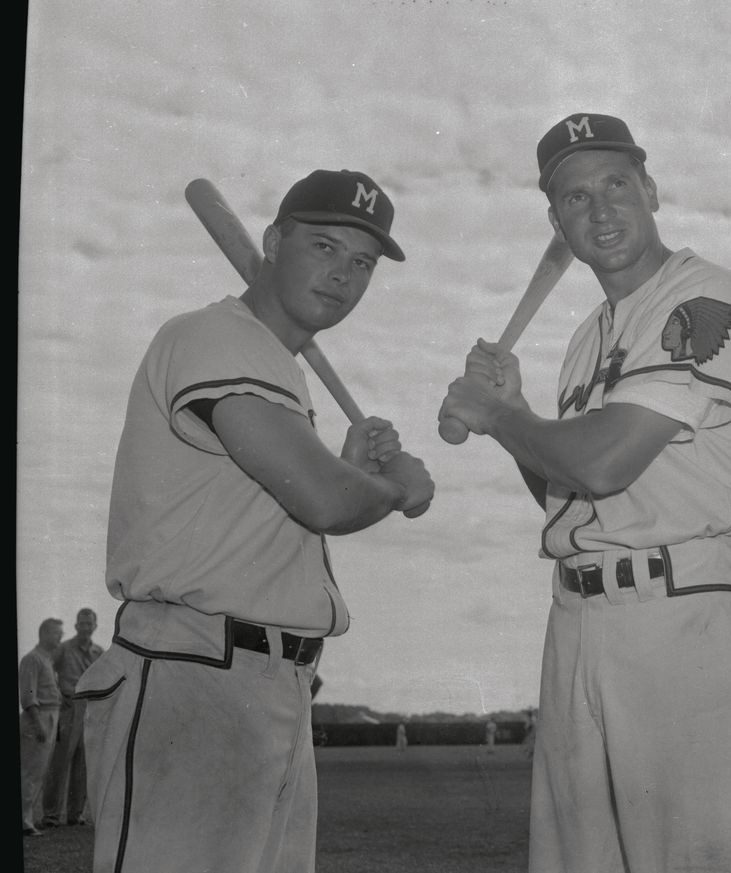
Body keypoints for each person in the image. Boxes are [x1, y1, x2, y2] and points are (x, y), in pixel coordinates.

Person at [440, 112, 731, 873]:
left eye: (616, 185)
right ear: (556, 218)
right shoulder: (586, 337)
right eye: (575, 197)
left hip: (681, 619)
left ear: (651, 188)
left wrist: (495, 417)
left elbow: (604, 462)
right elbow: (571, 496)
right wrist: (520, 412)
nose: (599, 210)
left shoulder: (703, 296)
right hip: (577, 620)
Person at [73, 168, 435, 873]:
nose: (344, 275)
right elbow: (324, 501)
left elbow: (283, 508)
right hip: (197, 677)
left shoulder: (275, 365)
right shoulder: (215, 336)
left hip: (266, 683)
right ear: (271, 241)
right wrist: (392, 486)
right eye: (325, 246)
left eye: (362, 263)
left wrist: (350, 468)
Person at [41, 607, 104, 829]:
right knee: (60, 762)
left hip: (91, 711)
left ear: (95, 626)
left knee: (83, 765)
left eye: (89, 624)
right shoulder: (64, 648)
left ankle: (75, 814)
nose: (85, 627)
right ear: (76, 626)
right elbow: (45, 667)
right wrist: (57, 692)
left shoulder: (99, 652)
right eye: (82, 624)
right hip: (68, 707)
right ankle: (50, 815)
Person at [19, 618, 64, 837]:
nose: (60, 637)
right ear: (44, 633)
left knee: (39, 771)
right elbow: (28, 696)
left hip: (51, 716)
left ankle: (27, 819)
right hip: (38, 718)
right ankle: (24, 822)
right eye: (56, 633)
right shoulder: (32, 659)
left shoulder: (47, 659)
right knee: (30, 771)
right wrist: (38, 724)